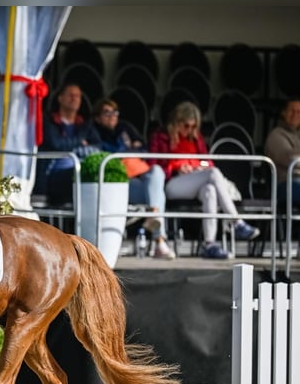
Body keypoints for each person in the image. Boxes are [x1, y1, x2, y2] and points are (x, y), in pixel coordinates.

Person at [148, 101, 260, 259]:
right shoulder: (160, 136)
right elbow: (153, 167)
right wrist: (176, 166)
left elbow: (208, 162)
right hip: (173, 183)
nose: (189, 130)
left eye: (193, 127)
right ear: (176, 122)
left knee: (210, 190)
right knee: (213, 174)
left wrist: (196, 166)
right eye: (186, 126)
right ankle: (236, 222)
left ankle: (210, 244)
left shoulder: (196, 139)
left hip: (195, 179)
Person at [92, 98, 175, 259]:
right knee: (157, 196)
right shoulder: (94, 131)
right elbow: (102, 152)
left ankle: (154, 217)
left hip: (139, 178)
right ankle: (159, 240)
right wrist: (128, 150)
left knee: (157, 171)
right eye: (107, 112)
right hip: (120, 184)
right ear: (97, 117)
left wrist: (128, 152)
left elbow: (143, 148)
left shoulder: (125, 127)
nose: (112, 116)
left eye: (115, 112)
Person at [39, 83, 102, 206]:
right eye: (70, 95)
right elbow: (57, 144)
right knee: (84, 175)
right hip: (53, 174)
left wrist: (77, 150)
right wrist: (81, 141)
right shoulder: (48, 120)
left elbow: (98, 146)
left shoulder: (84, 124)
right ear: (60, 98)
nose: (74, 99)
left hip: (78, 167)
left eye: (78, 96)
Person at [264, 97, 300, 206]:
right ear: (284, 113)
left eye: (299, 111)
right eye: (291, 110)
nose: (295, 114)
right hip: (288, 183)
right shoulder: (276, 135)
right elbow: (291, 159)